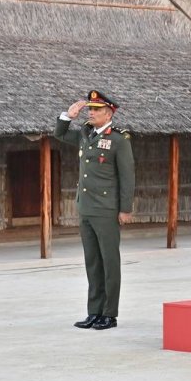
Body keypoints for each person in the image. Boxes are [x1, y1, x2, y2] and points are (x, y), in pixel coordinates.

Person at [56, 91, 135, 330]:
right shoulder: (84, 134)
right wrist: (67, 116)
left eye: (96, 110)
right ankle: (94, 311)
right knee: (92, 261)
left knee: (109, 262)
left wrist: (125, 209)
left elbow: (127, 176)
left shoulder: (119, 140)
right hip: (87, 207)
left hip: (106, 208)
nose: (91, 113)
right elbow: (59, 134)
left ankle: (109, 314)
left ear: (109, 113)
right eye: (89, 109)